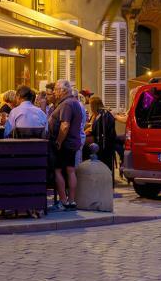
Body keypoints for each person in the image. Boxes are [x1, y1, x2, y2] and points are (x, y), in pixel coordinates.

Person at [48, 80, 84, 211]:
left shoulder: (66, 104)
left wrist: (58, 141)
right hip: (73, 142)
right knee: (70, 170)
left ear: (63, 91)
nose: (54, 92)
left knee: (58, 170)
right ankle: (72, 201)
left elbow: (65, 125)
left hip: (64, 144)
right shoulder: (75, 103)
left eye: (56, 89)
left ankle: (63, 201)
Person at [86, 96, 117, 173]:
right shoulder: (104, 113)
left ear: (93, 105)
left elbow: (95, 130)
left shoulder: (102, 116)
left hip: (104, 146)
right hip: (108, 144)